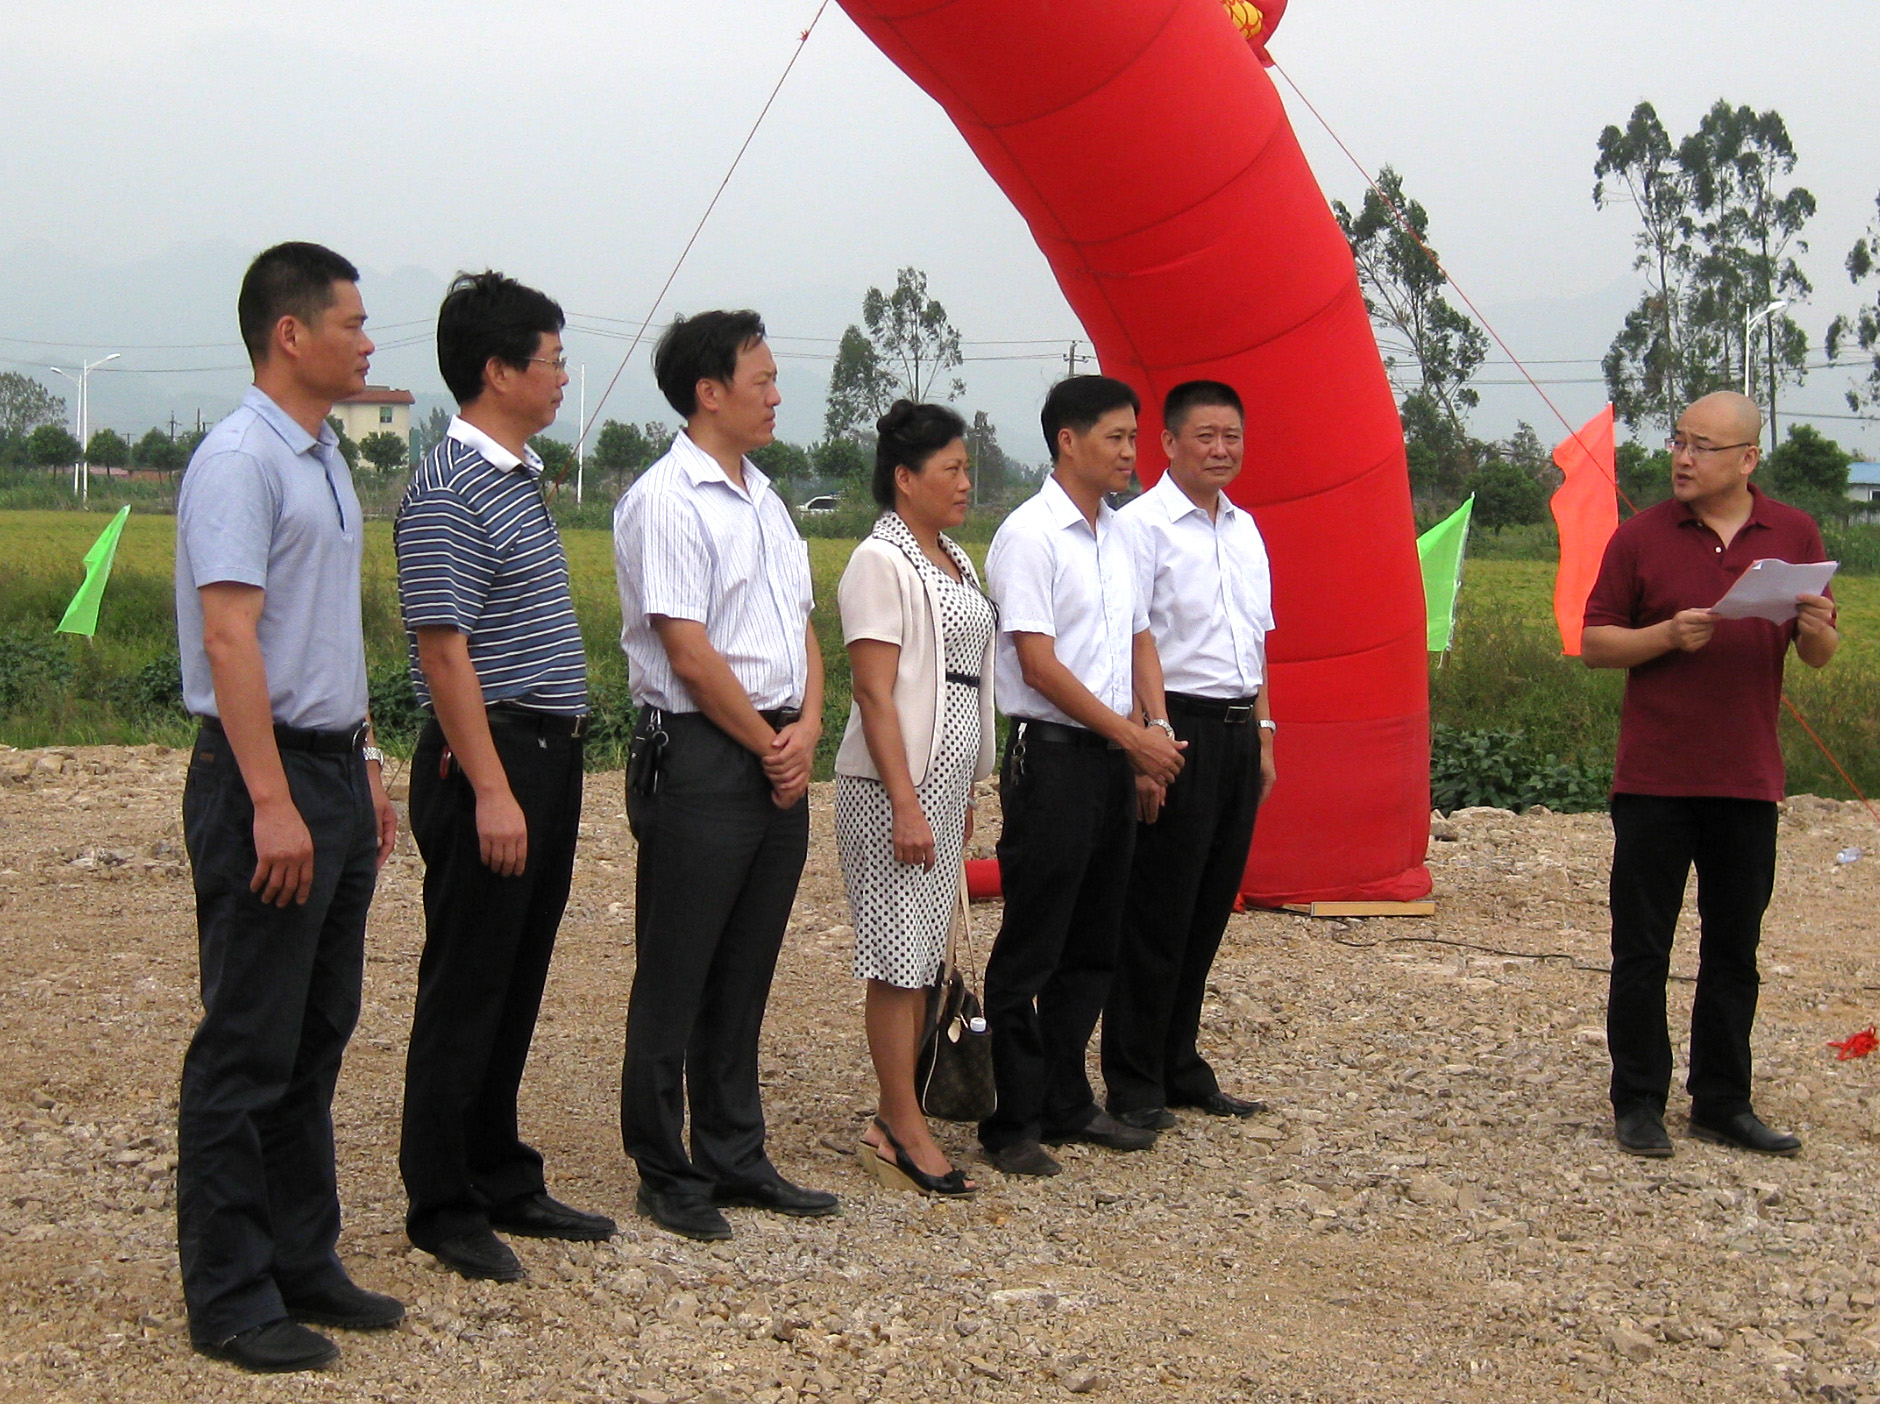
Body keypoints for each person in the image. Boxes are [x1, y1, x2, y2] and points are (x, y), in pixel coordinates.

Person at [172, 242, 401, 1373]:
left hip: (332, 769)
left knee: (315, 1035)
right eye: (351, 323)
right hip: (262, 775)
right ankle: (229, 1295)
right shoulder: (240, 459)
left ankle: (302, 1258)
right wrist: (270, 800)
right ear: (290, 333)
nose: (368, 341)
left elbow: (318, 635)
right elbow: (231, 639)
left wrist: (363, 759)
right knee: (248, 1043)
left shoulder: (322, 458)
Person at [393, 271, 615, 1283]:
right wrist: (489, 787)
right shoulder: (449, 484)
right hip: (489, 753)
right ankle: (442, 1201)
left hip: (545, 753)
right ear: (497, 370)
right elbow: (443, 652)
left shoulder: (514, 476)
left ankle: (499, 1171)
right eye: (551, 360)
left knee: (517, 974)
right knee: (469, 978)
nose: (563, 377)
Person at [613, 310, 838, 1240]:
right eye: (763, 380)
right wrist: (766, 742)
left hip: (776, 749)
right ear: (709, 393)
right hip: (704, 752)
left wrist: (807, 729)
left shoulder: (768, 501)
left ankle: (734, 1153)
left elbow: (801, 629)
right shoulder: (668, 499)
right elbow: (689, 652)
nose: (777, 395)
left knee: (745, 968)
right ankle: (664, 1168)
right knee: (677, 967)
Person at [1582, 390, 1839, 1159]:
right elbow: (1595, 644)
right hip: (1654, 779)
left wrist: (1819, 628)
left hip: (1746, 778)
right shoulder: (1639, 537)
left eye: (1702, 446)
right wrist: (1665, 634)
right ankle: (1638, 1101)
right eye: (1678, 442)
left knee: (1734, 950)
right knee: (1642, 949)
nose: (1684, 459)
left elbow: (1817, 654)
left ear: (1748, 458)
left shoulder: (1792, 533)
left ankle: (1723, 1102)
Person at [977, 375, 1188, 1178]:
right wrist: (1132, 737)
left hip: (1110, 757)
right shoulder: (1030, 536)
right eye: (1116, 437)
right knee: (1033, 942)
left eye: (1134, 437)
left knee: (1095, 941)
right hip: (1055, 756)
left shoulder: (1120, 535)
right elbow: (1038, 664)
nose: (1131, 452)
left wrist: (1153, 730)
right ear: (1067, 441)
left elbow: (1137, 639)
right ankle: (1010, 1120)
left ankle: (1067, 1100)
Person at [1102, 381, 1276, 1131]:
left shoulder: (1245, 529)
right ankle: (1133, 1078)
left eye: (1231, 436)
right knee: (1157, 911)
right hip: (1175, 728)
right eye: (1205, 436)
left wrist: (1265, 735)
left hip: (1237, 729)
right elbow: (1127, 641)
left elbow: (1257, 642)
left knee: (1208, 906)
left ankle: (1181, 1064)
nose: (1220, 449)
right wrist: (1147, 744)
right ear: (1168, 443)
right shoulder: (1140, 527)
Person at [835, 401, 997, 1197]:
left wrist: (960, 791)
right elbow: (875, 692)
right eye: (951, 469)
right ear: (905, 477)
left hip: (944, 780)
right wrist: (906, 800)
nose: (965, 482)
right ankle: (902, 1123)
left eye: (967, 468)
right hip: (892, 784)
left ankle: (892, 1114)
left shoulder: (955, 559)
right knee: (896, 960)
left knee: (925, 956)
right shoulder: (881, 561)